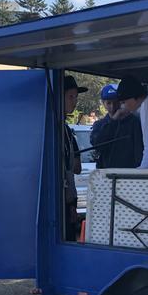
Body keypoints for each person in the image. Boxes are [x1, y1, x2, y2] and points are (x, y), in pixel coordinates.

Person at [90, 83, 143, 169]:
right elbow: (97, 144)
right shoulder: (99, 124)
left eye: (116, 102)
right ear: (103, 104)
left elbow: (139, 151)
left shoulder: (133, 122)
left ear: (122, 102)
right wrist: (113, 120)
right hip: (106, 174)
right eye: (109, 103)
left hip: (128, 174)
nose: (113, 106)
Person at [63, 75, 86, 241]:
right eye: (71, 96)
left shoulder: (67, 131)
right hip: (60, 204)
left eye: (76, 97)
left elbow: (76, 168)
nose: (74, 101)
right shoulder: (52, 128)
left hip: (70, 200)